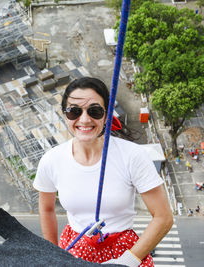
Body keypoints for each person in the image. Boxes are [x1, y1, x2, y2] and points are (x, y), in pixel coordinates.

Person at [33, 77, 173, 267]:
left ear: (106, 115)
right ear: (65, 115)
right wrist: (52, 255)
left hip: (125, 251)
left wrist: (127, 261)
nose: (84, 119)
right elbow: (47, 209)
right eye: (74, 111)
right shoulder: (52, 160)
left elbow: (163, 217)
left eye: (95, 111)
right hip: (75, 249)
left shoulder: (132, 156)